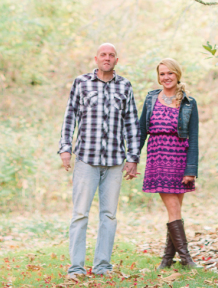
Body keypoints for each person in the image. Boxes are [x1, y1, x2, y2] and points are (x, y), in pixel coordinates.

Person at [59, 43, 140, 280]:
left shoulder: (124, 85)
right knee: (80, 213)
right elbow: (70, 117)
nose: (107, 58)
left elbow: (131, 123)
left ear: (117, 60)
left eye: (111, 55)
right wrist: (65, 149)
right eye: (103, 55)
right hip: (86, 159)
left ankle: (103, 266)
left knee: (109, 215)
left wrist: (133, 158)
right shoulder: (81, 83)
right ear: (96, 58)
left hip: (115, 160)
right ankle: (76, 268)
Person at [139, 57, 199, 270]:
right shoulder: (151, 99)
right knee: (173, 208)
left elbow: (193, 136)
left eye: (169, 73)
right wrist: (133, 159)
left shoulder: (188, 103)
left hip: (179, 160)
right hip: (158, 158)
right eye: (162, 74)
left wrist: (191, 169)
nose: (166, 77)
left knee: (175, 211)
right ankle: (186, 259)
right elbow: (141, 132)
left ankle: (166, 260)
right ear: (158, 77)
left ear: (177, 75)